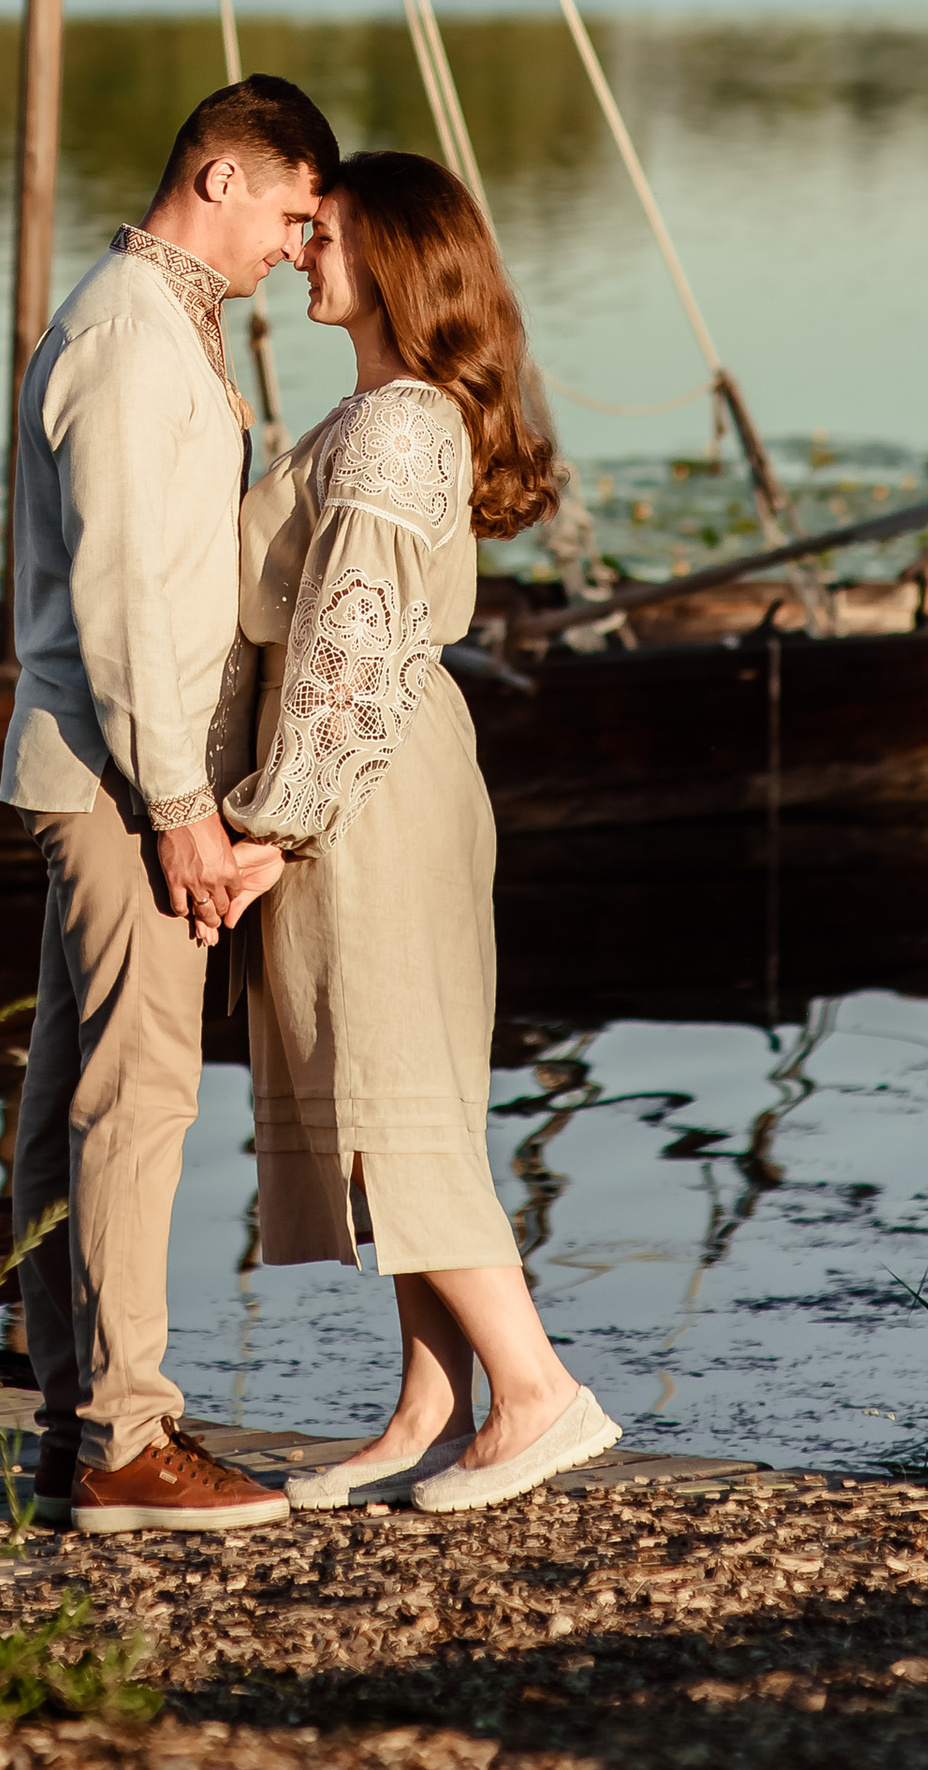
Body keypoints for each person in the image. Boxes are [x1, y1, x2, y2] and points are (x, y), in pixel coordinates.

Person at [214, 148, 623, 1516]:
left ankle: (538, 1390)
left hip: (366, 783)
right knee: (386, 1070)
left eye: (321, 232)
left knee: (390, 1080)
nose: (298, 251)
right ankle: (429, 1402)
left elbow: (353, 635)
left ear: (389, 258)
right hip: (386, 768)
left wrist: (275, 818)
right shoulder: (388, 408)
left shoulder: (396, 426)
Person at [0, 72, 339, 1538]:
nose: (294, 244)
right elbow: (131, 598)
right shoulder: (134, 339)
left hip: (103, 765)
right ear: (217, 179)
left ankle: (79, 1410)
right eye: (288, 211)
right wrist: (184, 807)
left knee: (69, 1100)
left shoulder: (148, 320)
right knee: (134, 1101)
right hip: (124, 778)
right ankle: (124, 1443)